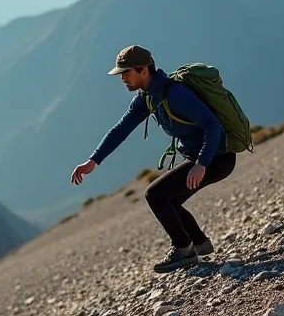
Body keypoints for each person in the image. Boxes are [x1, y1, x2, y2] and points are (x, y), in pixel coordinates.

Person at [70, 45, 237, 273]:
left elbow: (212, 124)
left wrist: (201, 164)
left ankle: (184, 250)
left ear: (144, 70)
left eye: (126, 72)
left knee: (155, 195)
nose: (122, 78)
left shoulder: (176, 94)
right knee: (170, 199)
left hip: (217, 158)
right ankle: (199, 242)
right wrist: (93, 161)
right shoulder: (147, 99)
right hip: (200, 159)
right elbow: (121, 129)